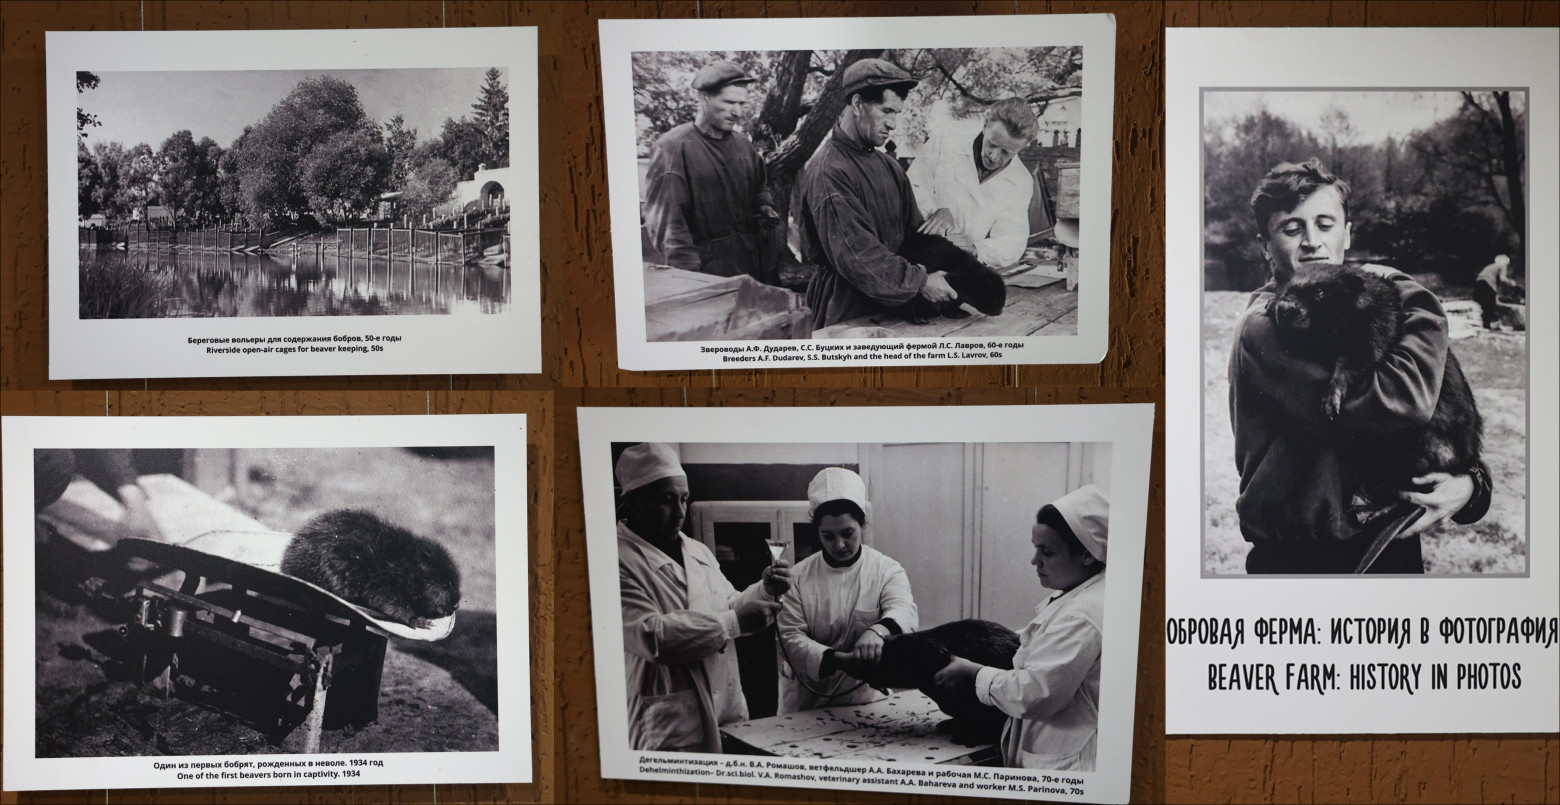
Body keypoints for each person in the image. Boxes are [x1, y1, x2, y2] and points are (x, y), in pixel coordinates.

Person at [1228, 159, 1491, 574]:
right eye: (1292, 228)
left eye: (1326, 224)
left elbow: (1445, 411)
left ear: (1347, 235)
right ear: (1265, 245)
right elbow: (1406, 400)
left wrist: (1472, 484)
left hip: (1391, 540)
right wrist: (1414, 297)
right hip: (1306, 560)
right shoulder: (1266, 330)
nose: (1312, 241)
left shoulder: (1348, 308)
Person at [615, 442, 792, 752]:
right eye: (666, 501)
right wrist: (733, 624)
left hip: (726, 705)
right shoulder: (615, 559)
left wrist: (763, 589)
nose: (680, 512)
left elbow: (728, 602)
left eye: (684, 499)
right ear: (632, 503)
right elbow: (651, 635)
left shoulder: (697, 551)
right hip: (668, 719)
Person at [932, 484, 1109, 771]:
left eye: (1047, 552)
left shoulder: (1083, 613)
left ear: (1088, 554)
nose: (1034, 560)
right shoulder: (1080, 592)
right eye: (1035, 547)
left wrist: (975, 674)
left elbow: (1038, 693)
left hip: (1068, 764)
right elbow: (1050, 645)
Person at [799, 58, 957, 328]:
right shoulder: (829, 171)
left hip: (897, 301)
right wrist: (919, 281)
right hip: (847, 309)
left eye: (896, 113)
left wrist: (955, 257)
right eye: (886, 111)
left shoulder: (889, 166)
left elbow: (915, 235)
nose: (893, 124)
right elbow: (858, 255)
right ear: (858, 105)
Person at [776, 467, 918, 713]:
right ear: (817, 533)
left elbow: (904, 611)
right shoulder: (798, 577)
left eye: (847, 533)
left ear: (862, 525)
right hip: (810, 703)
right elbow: (791, 638)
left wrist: (877, 631)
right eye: (828, 536)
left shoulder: (886, 570)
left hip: (869, 701)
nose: (839, 545)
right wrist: (841, 661)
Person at [642, 60, 781, 281]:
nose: (737, 112)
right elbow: (669, 228)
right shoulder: (673, 148)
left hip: (753, 267)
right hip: (710, 274)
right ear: (704, 99)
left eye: (742, 104)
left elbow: (759, 185)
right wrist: (693, 282)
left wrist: (764, 205)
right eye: (729, 102)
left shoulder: (743, 144)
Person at [907, 97, 1038, 268]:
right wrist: (934, 210)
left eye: (1007, 152)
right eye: (992, 144)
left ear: (1023, 147)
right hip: (915, 250)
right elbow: (911, 184)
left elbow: (1012, 240)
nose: (994, 156)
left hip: (961, 263)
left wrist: (976, 248)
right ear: (985, 126)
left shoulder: (1021, 181)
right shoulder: (946, 140)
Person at [1473, 254, 1514, 330]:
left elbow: (1494, 286)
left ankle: (1485, 326)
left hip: (1478, 283)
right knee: (1489, 307)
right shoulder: (1502, 266)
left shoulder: (1490, 266)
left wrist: (1496, 298)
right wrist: (1511, 282)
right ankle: (1487, 326)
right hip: (1488, 283)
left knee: (1485, 306)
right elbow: (1502, 278)